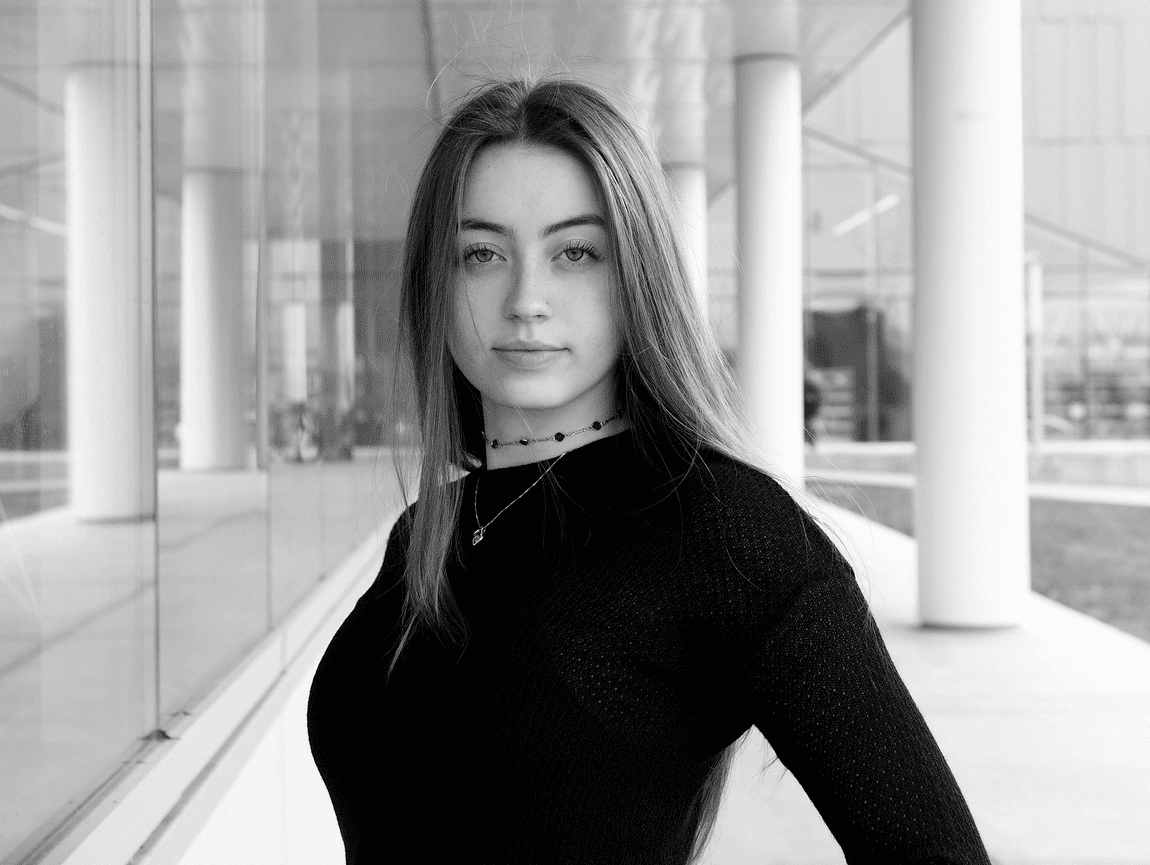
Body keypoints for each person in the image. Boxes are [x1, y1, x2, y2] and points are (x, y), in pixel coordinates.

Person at [307, 77, 990, 864]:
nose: (527, 300)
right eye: (483, 253)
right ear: (438, 280)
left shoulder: (719, 525)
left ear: (637, 277)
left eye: (575, 252)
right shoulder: (428, 529)